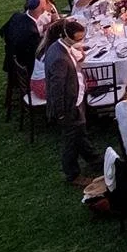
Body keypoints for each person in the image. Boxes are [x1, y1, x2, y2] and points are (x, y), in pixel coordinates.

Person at [43, 19, 102, 184]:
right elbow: (56, 89)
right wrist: (61, 114)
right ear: (66, 36)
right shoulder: (59, 58)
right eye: (77, 40)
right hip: (69, 107)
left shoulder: (61, 46)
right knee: (70, 141)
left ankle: (95, 160)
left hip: (77, 99)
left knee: (80, 133)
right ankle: (73, 174)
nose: (79, 42)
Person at [0, 0, 46, 91]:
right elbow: (38, 54)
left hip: (10, 60)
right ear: (43, 9)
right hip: (26, 67)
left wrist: (10, 43)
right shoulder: (31, 32)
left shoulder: (16, 16)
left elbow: (1, 31)